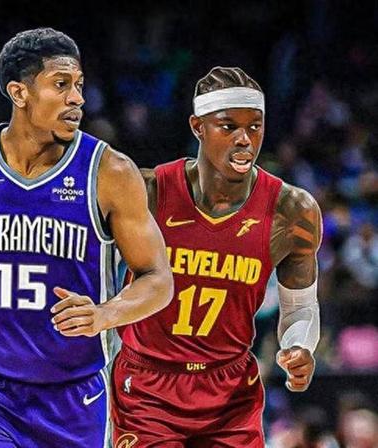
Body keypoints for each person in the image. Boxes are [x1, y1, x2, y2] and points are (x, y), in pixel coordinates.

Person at [0, 27, 174, 447]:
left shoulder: (111, 173)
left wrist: (105, 314)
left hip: (74, 399)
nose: (77, 98)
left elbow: (158, 278)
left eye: (79, 85)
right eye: (61, 84)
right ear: (19, 92)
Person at [112, 66, 322, 447]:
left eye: (255, 127)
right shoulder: (148, 191)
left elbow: (301, 308)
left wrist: (299, 346)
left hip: (229, 389)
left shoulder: (292, 212)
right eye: (229, 127)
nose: (245, 139)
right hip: (147, 385)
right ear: (198, 127)